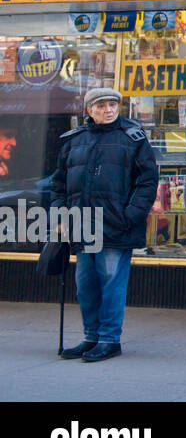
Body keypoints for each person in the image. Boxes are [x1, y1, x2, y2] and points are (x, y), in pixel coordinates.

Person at [50, 87, 159, 362]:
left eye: (112, 105)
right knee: (85, 284)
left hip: (116, 225)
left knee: (111, 283)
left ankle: (110, 339)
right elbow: (59, 184)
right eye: (101, 106)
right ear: (89, 110)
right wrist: (61, 216)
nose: (108, 110)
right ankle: (91, 337)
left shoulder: (132, 137)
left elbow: (147, 181)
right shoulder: (75, 140)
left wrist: (130, 215)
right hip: (83, 226)